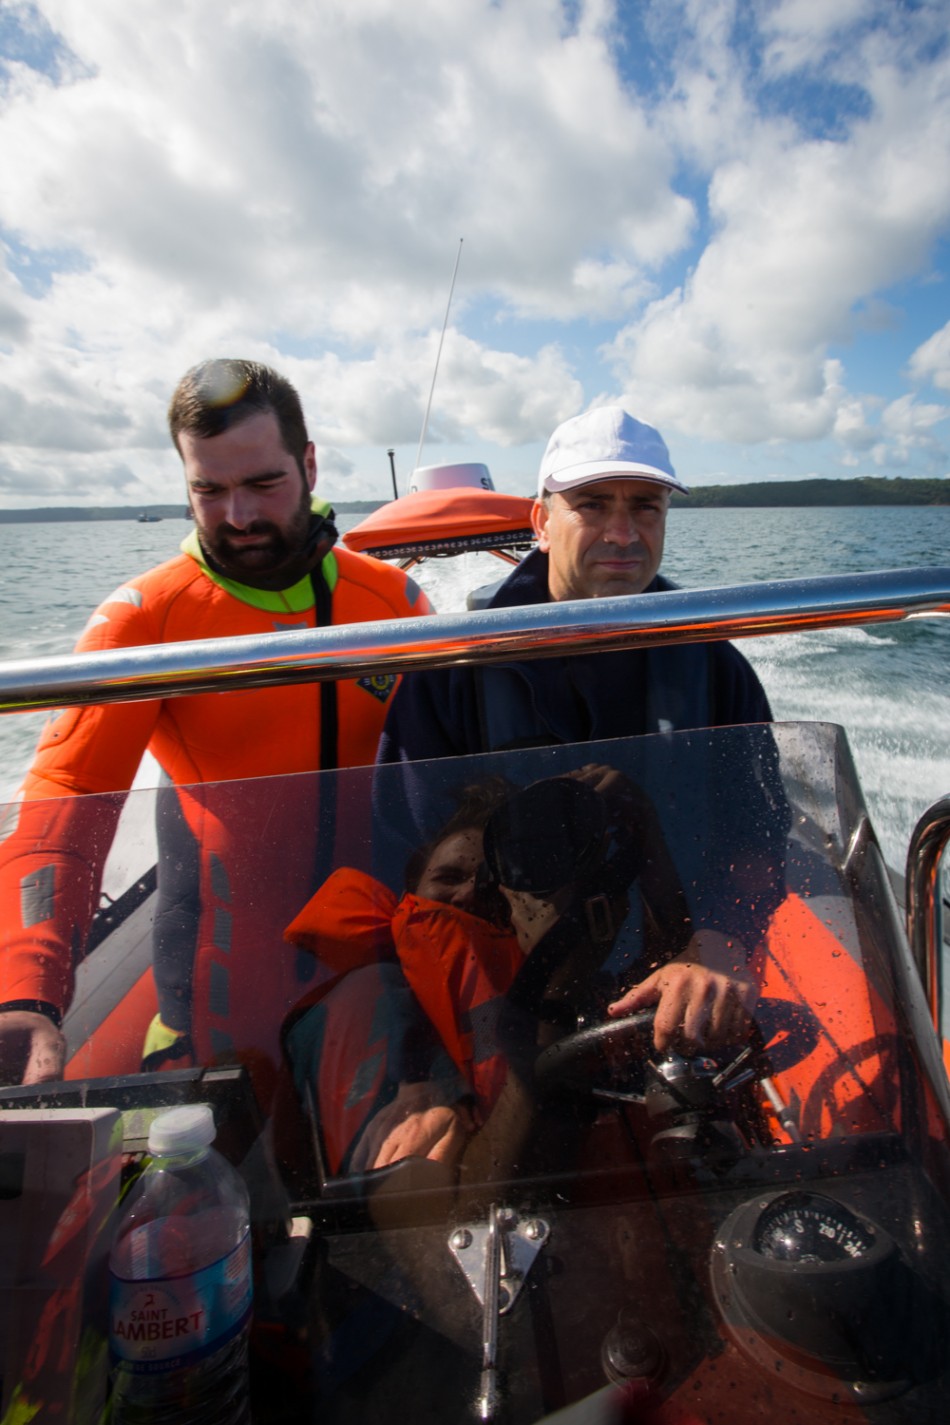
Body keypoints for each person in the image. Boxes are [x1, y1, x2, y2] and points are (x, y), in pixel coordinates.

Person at [0, 358, 430, 1096]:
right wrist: (26, 990)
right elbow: (69, 791)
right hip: (217, 998)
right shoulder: (147, 620)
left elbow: (452, 779)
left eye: (263, 483)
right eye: (209, 490)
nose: (239, 515)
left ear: (310, 462)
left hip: (373, 976)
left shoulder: (392, 602)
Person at [378, 406, 788, 1051]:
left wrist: (719, 936)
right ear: (541, 522)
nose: (623, 533)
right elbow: (403, 858)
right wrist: (422, 1063)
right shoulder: (451, 672)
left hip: (674, 977)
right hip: (497, 993)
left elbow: (755, 831)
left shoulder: (715, 668)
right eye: (592, 505)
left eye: (645, 506)